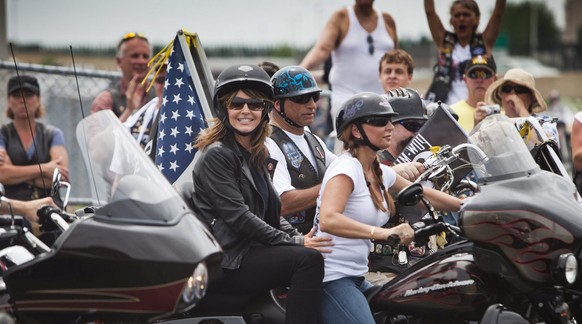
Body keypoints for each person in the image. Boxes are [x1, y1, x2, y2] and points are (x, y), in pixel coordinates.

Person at [190, 64, 329, 323]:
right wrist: (295, 244)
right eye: (237, 104)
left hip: (251, 250)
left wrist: (296, 236)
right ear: (223, 109)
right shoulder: (218, 155)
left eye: (254, 105)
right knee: (307, 260)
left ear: (265, 110)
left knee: (318, 252)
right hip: (231, 259)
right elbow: (240, 218)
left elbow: (272, 211)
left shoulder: (256, 153)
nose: (246, 111)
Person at [314, 92, 462, 323]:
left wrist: (469, 205)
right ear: (356, 131)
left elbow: (423, 194)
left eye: (391, 121)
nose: (389, 127)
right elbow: (329, 219)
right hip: (331, 278)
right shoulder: (346, 168)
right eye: (380, 122)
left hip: (356, 277)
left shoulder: (377, 170)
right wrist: (385, 233)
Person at [300, 0, 398, 153]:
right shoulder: (341, 17)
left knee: (384, 149)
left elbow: (395, 57)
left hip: (381, 100)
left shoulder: (387, 20)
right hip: (345, 98)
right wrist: (298, 71)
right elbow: (322, 49)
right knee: (347, 149)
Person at [266, 65, 337, 235]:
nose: (312, 105)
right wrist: (335, 186)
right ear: (277, 104)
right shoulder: (268, 143)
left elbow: (346, 167)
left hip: (320, 240)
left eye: (315, 96)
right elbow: (282, 203)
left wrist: (392, 171)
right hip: (291, 245)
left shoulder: (312, 139)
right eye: (302, 99)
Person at [0, 75, 69, 205]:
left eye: (28, 95)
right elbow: (2, 174)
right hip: (13, 212)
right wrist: (44, 168)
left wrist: (14, 171)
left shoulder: (53, 134)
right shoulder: (3, 134)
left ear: (38, 100)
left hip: (50, 211)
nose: (23, 101)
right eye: (16, 96)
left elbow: (60, 177)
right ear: (9, 100)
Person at [424, 0, 505, 105]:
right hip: (445, 110)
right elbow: (430, 12)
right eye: (457, 15)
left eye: (466, 15)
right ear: (451, 20)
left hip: (478, 108)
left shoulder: (485, 41)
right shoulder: (444, 41)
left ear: (477, 18)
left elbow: (498, 14)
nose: (461, 19)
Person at [90, 32, 156, 121]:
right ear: (119, 61)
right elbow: (97, 134)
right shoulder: (106, 100)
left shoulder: (160, 95)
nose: (141, 61)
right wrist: (129, 110)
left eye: (145, 56)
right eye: (135, 56)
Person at [377, 88, 427, 176]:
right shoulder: (373, 162)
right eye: (412, 125)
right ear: (389, 126)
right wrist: (391, 174)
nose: (417, 132)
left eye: (423, 126)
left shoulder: (425, 159)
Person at [124, 62, 167, 150]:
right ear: (154, 83)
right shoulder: (140, 115)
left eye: (170, 80)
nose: (165, 85)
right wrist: (130, 109)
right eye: (160, 80)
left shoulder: (190, 118)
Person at [450, 55, 498, 131]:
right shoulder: (451, 113)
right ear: (465, 80)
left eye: (485, 74)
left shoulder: (504, 113)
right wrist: (476, 127)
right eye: (473, 75)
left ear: (495, 79)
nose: (479, 80)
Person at [483, 68, 547, 119]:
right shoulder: (493, 124)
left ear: (531, 98)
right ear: (500, 95)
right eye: (507, 89)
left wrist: (521, 111)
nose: (512, 93)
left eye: (519, 89)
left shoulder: (543, 124)